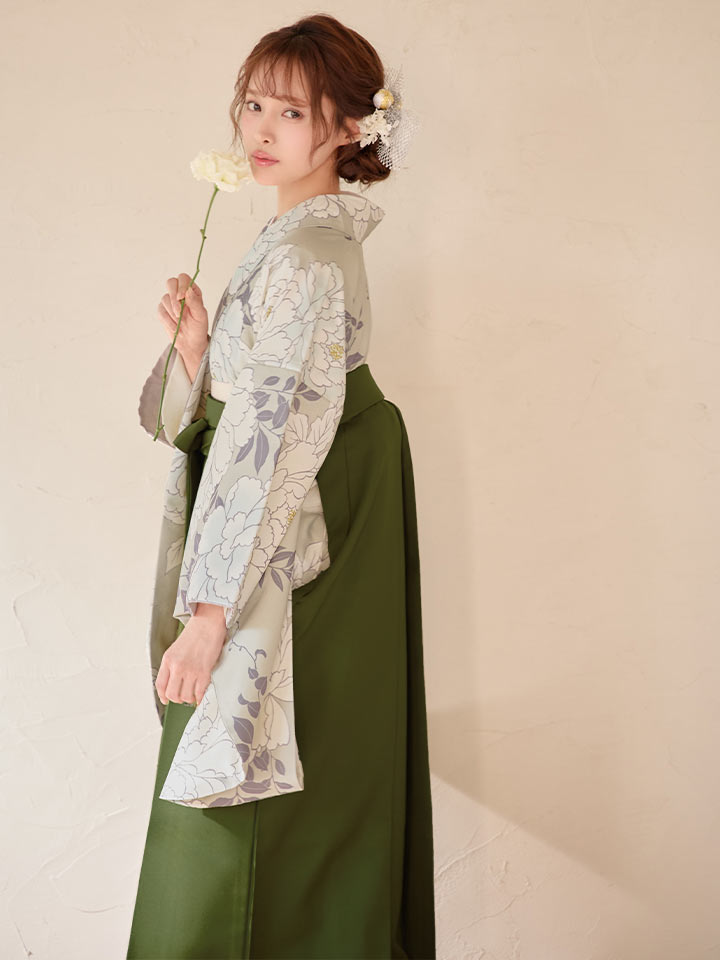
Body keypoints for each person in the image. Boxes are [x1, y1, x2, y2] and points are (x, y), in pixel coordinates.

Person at [126, 13, 435, 959]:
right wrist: (199, 353)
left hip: (294, 526)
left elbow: (272, 444)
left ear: (348, 127)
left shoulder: (303, 259)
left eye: (291, 112)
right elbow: (253, 412)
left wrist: (210, 613)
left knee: (243, 789)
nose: (260, 130)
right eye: (254, 104)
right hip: (310, 504)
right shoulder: (299, 241)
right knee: (311, 789)